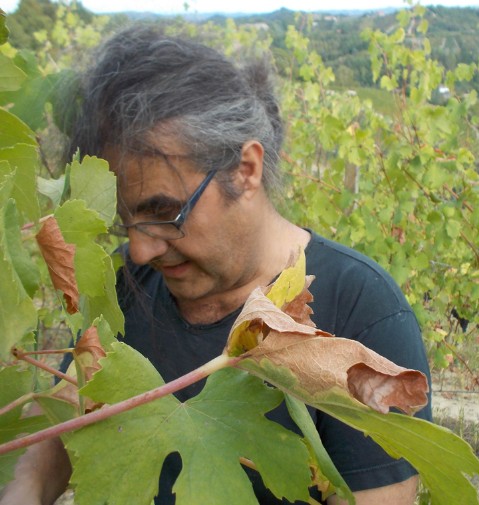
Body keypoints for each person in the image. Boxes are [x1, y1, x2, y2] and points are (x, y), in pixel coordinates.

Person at [0, 24, 432, 505]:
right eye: (125, 224)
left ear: (245, 170)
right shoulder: (125, 284)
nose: (141, 252)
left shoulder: (361, 307)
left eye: (164, 214)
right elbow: (48, 452)